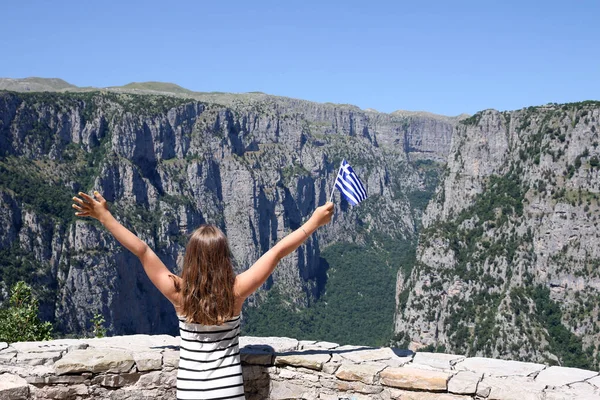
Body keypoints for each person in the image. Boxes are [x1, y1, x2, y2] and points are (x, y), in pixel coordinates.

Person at [72, 191, 334, 400]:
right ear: (224, 258)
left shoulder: (178, 293)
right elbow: (276, 252)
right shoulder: (236, 291)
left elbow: (142, 251)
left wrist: (105, 217)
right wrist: (313, 222)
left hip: (190, 392)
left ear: (191, 259)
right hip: (229, 391)